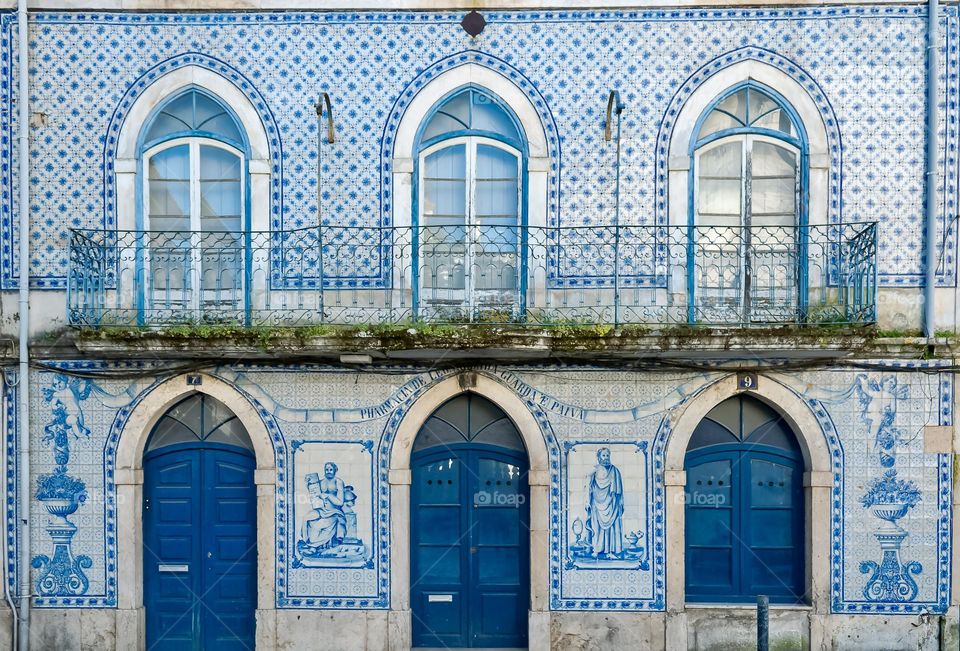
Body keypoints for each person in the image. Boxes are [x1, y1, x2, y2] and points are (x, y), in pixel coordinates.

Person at [299, 462, 348, 554]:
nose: (328, 471)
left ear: (335, 470)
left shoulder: (338, 482)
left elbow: (340, 502)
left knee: (318, 526)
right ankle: (307, 541)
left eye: (330, 469)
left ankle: (313, 547)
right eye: (326, 469)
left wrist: (328, 496)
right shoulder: (321, 482)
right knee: (306, 518)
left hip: (334, 512)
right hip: (321, 510)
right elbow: (315, 494)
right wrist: (309, 484)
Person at [585, 447, 624, 558]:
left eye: (607, 455)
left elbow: (619, 492)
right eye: (603, 455)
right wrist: (587, 501)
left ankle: (610, 551)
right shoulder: (594, 470)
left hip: (612, 504)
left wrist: (620, 502)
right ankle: (597, 549)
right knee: (597, 527)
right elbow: (588, 487)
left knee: (612, 528)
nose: (606, 458)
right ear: (599, 457)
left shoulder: (615, 471)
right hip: (596, 504)